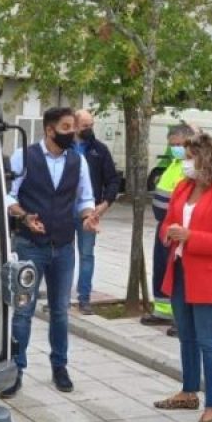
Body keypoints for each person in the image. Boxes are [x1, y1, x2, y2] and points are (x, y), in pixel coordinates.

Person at [1, 106, 99, 398]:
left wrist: (88, 216)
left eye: (75, 127)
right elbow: (8, 194)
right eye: (68, 127)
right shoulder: (24, 156)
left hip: (64, 247)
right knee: (22, 312)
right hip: (29, 245)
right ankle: (15, 370)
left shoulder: (77, 160)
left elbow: (85, 197)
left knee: (60, 312)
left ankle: (60, 367)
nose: (73, 133)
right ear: (50, 130)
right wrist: (23, 215)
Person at [151, 134, 212, 422]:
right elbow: (167, 223)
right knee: (186, 337)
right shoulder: (183, 187)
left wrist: (189, 237)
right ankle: (188, 391)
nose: (185, 162)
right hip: (179, 270)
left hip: (208, 276)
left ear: (208, 158)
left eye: (191, 156)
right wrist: (170, 233)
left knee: (208, 342)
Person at [140, 123, 198, 335]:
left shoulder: (192, 167)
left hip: (179, 231)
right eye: (171, 145)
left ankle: (180, 317)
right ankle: (163, 310)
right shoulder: (175, 164)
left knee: (178, 275)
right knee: (162, 269)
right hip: (164, 227)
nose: (174, 148)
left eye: (178, 144)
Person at [72, 110, 121, 314]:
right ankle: (58, 296)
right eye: (85, 126)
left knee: (86, 255)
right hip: (63, 211)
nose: (89, 129)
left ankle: (84, 299)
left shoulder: (99, 150)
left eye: (91, 125)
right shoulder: (63, 148)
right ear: (74, 126)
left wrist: (105, 204)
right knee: (61, 255)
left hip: (90, 212)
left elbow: (113, 180)